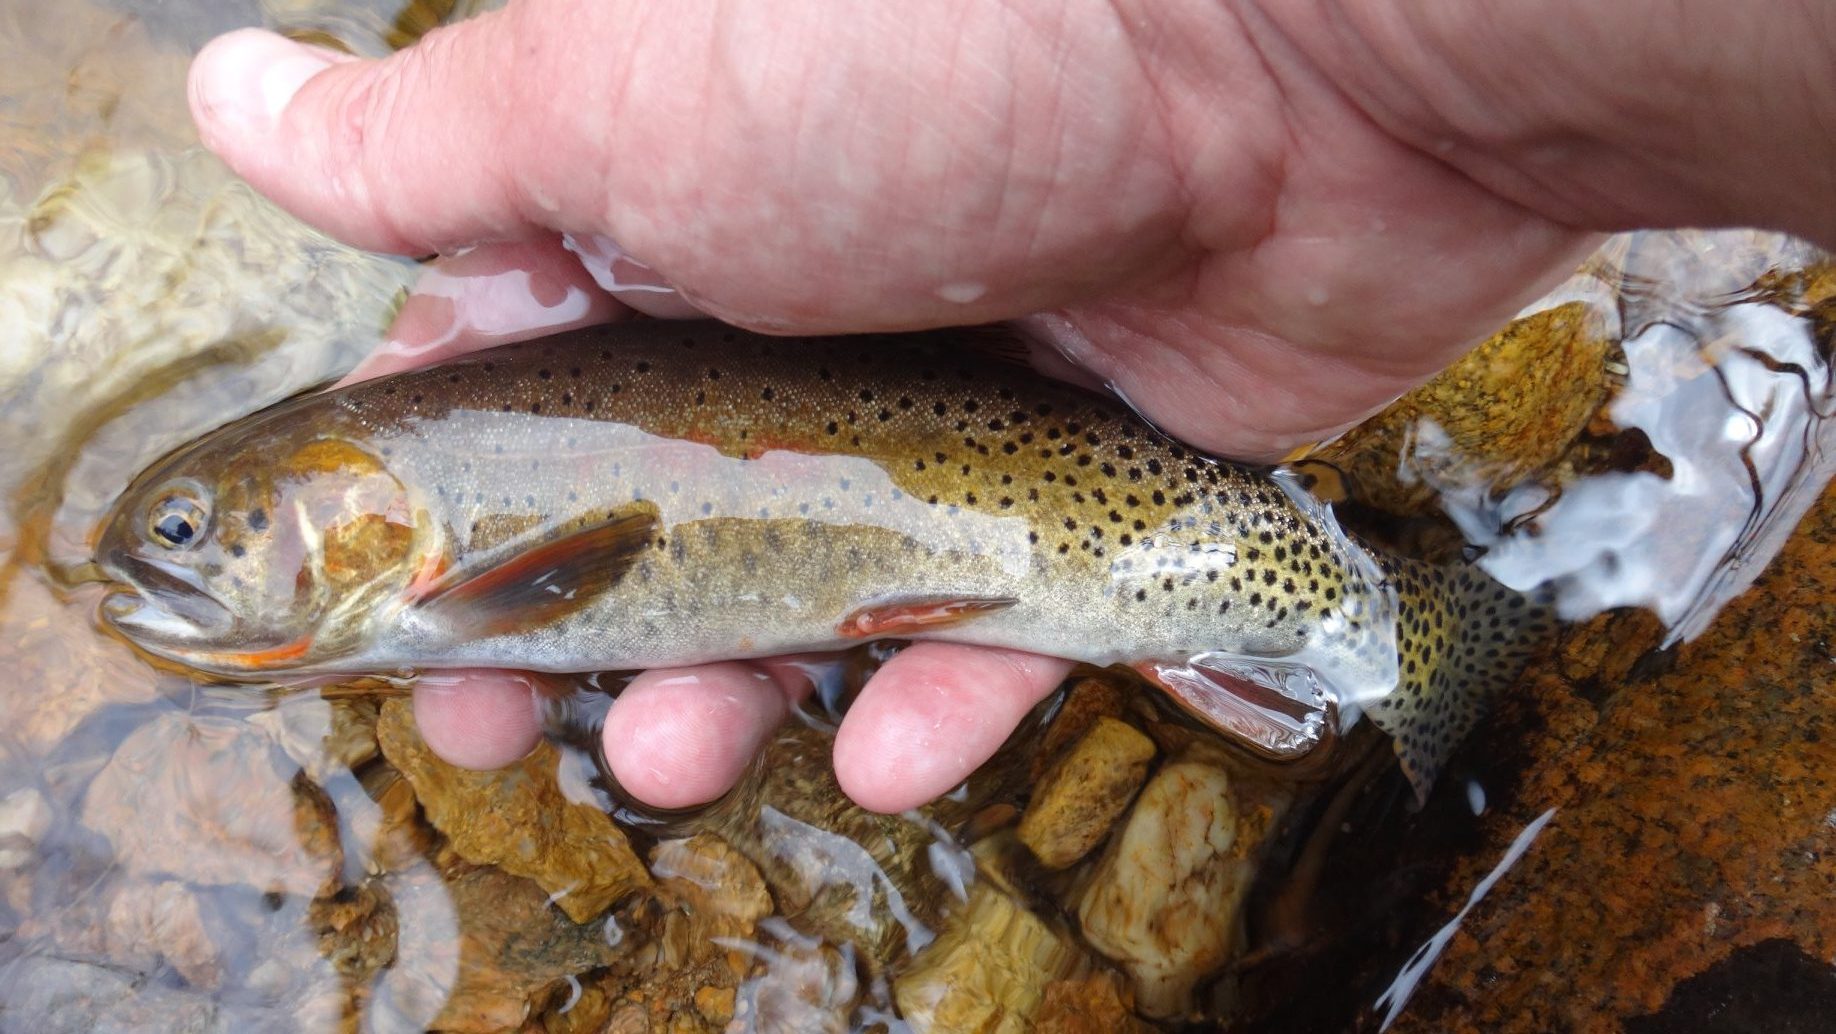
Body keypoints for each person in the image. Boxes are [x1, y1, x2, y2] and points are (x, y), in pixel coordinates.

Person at [185, 1, 1836, 813]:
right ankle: (1435, 654)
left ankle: (1434, 651)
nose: (192, 551)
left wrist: (1278, 55)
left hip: (1092, 500)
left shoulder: (456, 554)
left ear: (354, 502)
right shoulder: (441, 513)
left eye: (203, 526)